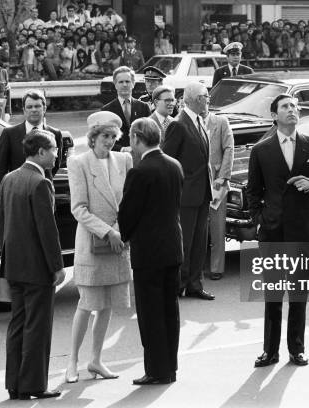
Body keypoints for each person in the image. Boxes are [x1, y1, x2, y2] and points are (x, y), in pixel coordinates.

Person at [246, 95, 309, 368]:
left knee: (299, 293)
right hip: (272, 231)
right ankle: (269, 351)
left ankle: (297, 349)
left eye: (295, 107)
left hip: (304, 230)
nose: (291, 110)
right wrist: (259, 219)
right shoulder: (261, 150)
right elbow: (253, 191)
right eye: (285, 107)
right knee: (273, 293)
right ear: (274, 115)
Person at [64, 111, 132, 383]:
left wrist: (123, 231)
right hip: (93, 243)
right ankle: (72, 361)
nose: (110, 141)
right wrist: (107, 232)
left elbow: (127, 203)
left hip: (118, 243)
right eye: (105, 136)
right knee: (87, 303)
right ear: (93, 137)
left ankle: (96, 360)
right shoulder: (79, 162)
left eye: (114, 137)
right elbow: (78, 208)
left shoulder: (124, 160)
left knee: (107, 306)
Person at [0, 129, 66, 400]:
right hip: (37, 268)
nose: (56, 154)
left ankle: (14, 383)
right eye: (53, 150)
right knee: (37, 328)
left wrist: (6, 258)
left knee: (17, 324)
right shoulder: (40, 182)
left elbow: (2, 223)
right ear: (40, 152)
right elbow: (47, 231)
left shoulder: (9, 179)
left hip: (14, 265)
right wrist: (57, 266)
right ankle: (34, 385)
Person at [118, 117, 184, 385]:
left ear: (135, 138)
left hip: (149, 252)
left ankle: (157, 369)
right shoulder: (174, 165)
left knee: (151, 313)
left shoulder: (140, 171)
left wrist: (123, 235)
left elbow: (128, 214)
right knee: (171, 310)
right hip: (172, 246)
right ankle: (170, 367)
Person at [162, 82, 215, 300]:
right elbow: (167, 160)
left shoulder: (200, 121)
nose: (208, 99)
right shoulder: (179, 124)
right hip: (186, 196)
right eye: (205, 95)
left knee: (200, 243)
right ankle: (178, 285)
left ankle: (195, 284)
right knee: (184, 243)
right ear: (193, 98)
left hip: (203, 193)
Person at [0, 89, 63, 186]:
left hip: (44, 191)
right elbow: (1, 169)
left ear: (44, 108)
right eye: (29, 107)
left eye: (37, 106)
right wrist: (2, 197)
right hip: (18, 191)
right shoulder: (9, 134)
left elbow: (55, 165)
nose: (34, 110)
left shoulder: (55, 134)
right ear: (24, 110)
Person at [202, 109, 234, 281]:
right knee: (196, 226)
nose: (204, 103)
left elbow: (229, 148)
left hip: (217, 180)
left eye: (207, 99)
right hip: (196, 181)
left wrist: (223, 176)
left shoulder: (221, 122)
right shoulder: (187, 121)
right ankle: (196, 266)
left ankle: (216, 267)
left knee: (217, 226)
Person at [101, 66, 151, 152]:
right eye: (121, 82)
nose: (124, 85)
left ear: (133, 83)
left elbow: (150, 134)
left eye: (127, 81)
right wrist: (122, 149)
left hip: (140, 156)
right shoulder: (106, 110)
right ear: (115, 84)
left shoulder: (144, 107)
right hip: (117, 158)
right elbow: (103, 139)